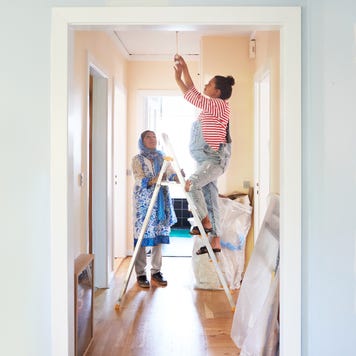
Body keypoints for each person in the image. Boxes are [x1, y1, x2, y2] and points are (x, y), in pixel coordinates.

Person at [173, 54, 235, 255]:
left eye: (208, 84)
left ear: (217, 92)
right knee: (210, 198)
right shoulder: (212, 106)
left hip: (213, 158)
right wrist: (183, 70)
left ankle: (204, 221)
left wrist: (178, 78)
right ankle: (215, 239)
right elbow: (194, 91)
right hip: (206, 159)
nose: (205, 86)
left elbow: (192, 95)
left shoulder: (219, 105)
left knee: (190, 185)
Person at [132, 130, 178, 288]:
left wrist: (178, 176)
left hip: (160, 202)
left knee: (159, 233)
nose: (152, 139)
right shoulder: (137, 159)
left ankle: (156, 271)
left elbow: (170, 172)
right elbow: (140, 179)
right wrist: (156, 178)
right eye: (148, 137)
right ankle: (140, 274)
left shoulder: (162, 157)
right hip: (144, 204)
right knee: (142, 237)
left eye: (154, 137)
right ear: (142, 140)